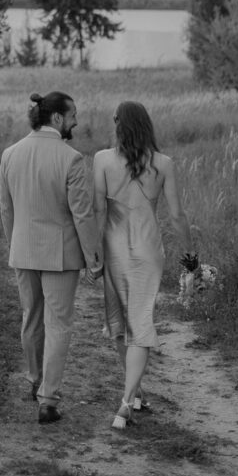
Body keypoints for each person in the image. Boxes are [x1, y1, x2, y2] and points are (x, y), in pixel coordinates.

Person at [0, 90, 102, 425]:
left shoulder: (10, 154)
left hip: (23, 251)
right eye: (73, 116)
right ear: (57, 118)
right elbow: (82, 214)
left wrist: (15, 245)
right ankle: (48, 400)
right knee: (58, 324)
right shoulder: (71, 158)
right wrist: (94, 258)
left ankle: (34, 381)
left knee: (31, 318)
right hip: (60, 256)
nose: (76, 122)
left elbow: (6, 209)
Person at [92, 100, 195, 430]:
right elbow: (177, 215)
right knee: (139, 322)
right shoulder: (163, 164)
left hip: (114, 248)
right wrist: (191, 255)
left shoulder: (102, 160)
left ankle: (128, 400)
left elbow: (98, 211)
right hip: (148, 249)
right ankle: (130, 398)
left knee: (121, 323)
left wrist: (93, 253)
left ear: (118, 124)